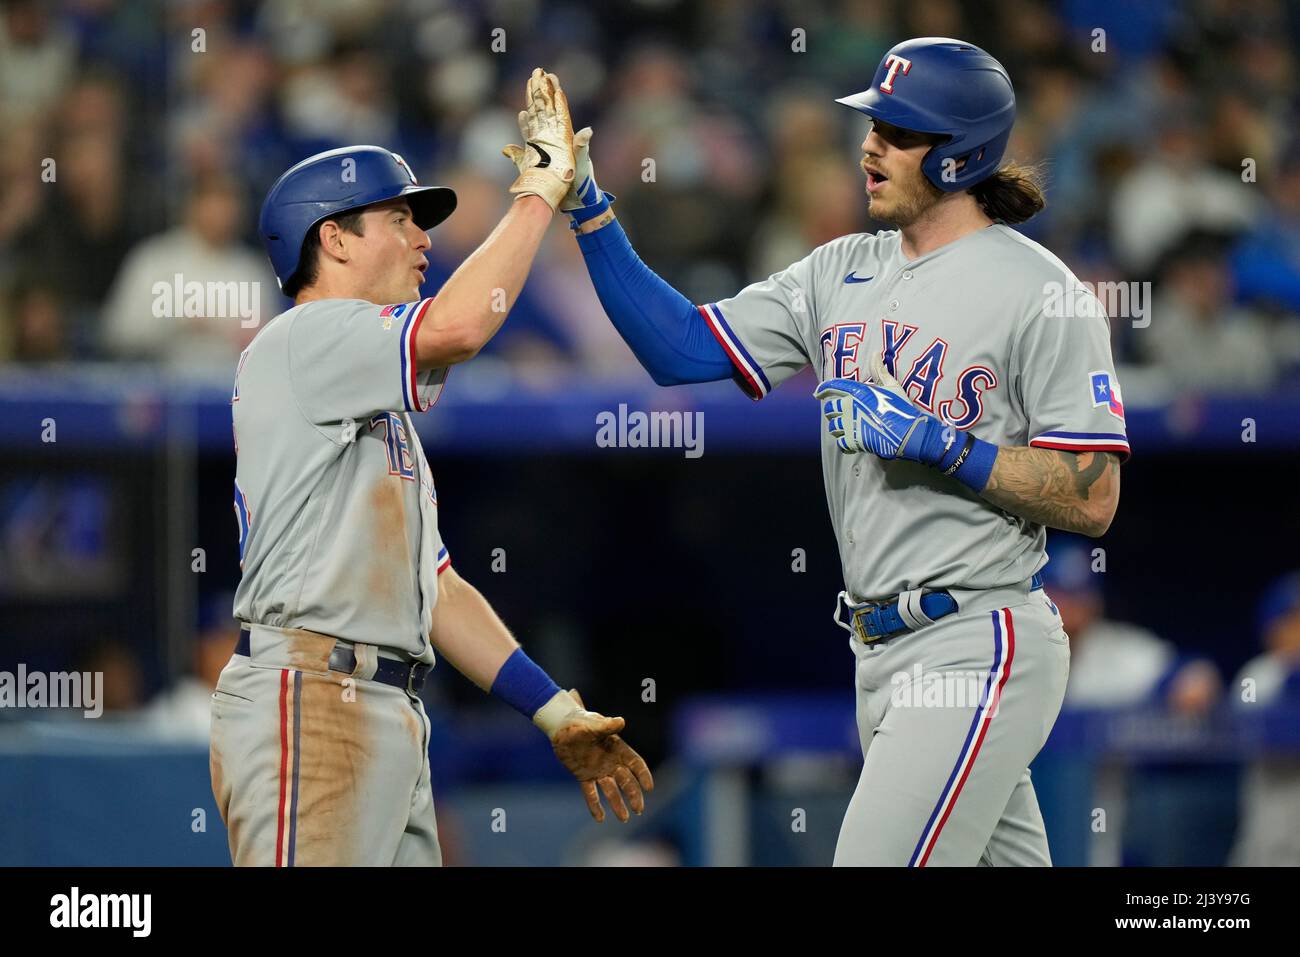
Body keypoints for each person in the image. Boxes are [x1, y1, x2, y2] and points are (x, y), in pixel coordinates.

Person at [563, 38, 1128, 866]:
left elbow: (1093, 494)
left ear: (961, 154)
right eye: (873, 124)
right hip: (877, 650)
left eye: (898, 131)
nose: (870, 145)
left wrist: (940, 442)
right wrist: (588, 208)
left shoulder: (1040, 290)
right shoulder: (840, 270)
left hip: (976, 637)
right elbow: (681, 349)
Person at [210, 69, 652, 867]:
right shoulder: (305, 338)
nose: (423, 238)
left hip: (389, 712)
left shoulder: (379, 406)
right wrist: (539, 192)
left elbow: (436, 588)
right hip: (311, 697)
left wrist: (550, 707)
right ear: (332, 237)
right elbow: (456, 327)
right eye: (399, 218)